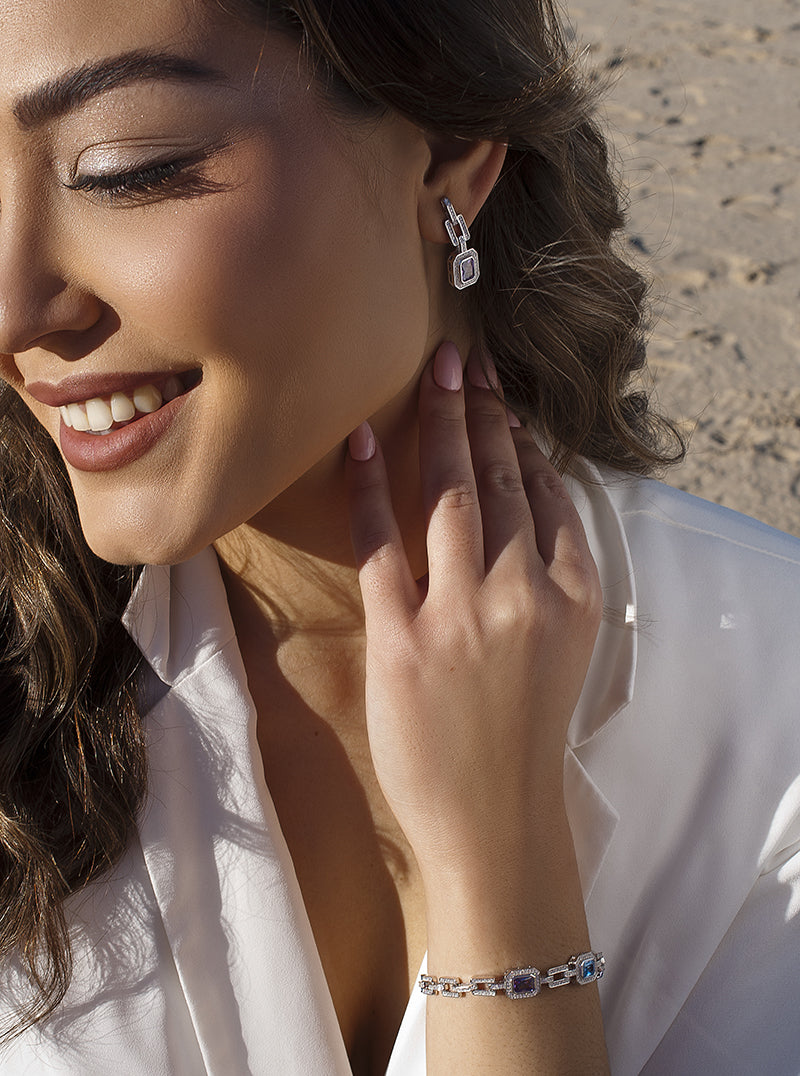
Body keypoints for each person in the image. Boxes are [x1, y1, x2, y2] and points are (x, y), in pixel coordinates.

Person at [0, 0, 798, 1073]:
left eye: (124, 166)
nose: (12, 308)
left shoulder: (770, 700)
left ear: (451, 153)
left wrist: (497, 871)